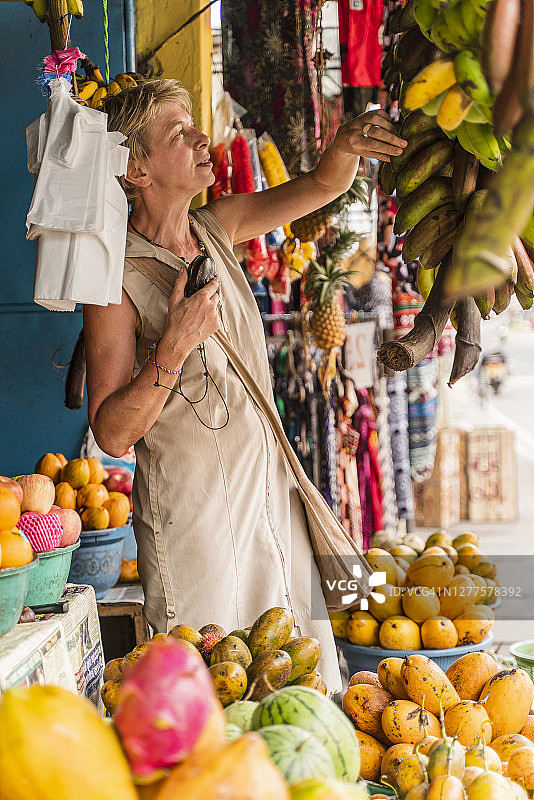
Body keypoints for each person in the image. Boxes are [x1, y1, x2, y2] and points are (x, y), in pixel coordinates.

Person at [84, 79, 406, 692]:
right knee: (215, 691)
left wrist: (344, 146)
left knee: (298, 681)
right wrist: (174, 346)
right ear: (136, 169)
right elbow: (112, 431)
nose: (201, 139)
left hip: (270, 501)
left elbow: (323, 186)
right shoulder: (114, 280)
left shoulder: (219, 226)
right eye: (179, 134)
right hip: (193, 522)